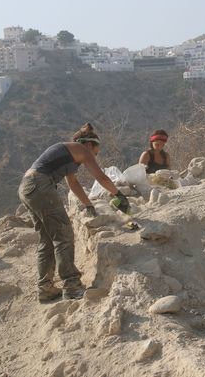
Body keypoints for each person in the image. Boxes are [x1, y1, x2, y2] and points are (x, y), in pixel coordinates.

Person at [18, 123, 126, 302]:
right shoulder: (81, 149)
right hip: (40, 185)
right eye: (96, 153)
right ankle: (71, 286)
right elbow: (101, 177)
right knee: (64, 234)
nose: (94, 156)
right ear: (89, 145)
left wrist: (88, 204)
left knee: (46, 239)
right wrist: (119, 195)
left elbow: (73, 183)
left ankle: (44, 289)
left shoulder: (68, 153)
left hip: (27, 187)